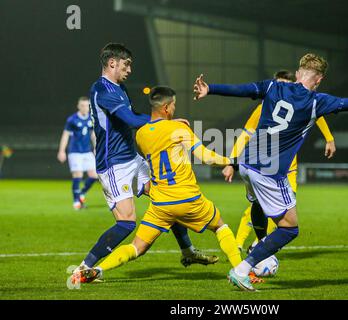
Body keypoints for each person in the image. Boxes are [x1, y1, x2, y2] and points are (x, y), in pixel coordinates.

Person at [193, 53, 348, 291]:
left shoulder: (273, 86)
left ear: (299, 71)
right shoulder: (316, 101)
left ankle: (260, 242)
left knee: (259, 205)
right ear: (319, 79)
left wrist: (210, 89)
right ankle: (243, 268)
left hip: (247, 164)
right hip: (269, 173)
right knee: (290, 228)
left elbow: (241, 89)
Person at [78, 86, 262, 288]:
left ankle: (99, 269)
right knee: (221, 227)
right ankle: (241, 272)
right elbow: (207, 157)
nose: (175, 109)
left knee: (136, 248)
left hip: (161, 205)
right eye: (173, 105)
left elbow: (156, 135)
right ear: (166, 108)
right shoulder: (179, 129)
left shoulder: (141, 135)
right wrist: (233, 160)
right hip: (189, 199)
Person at [71, 43, 217, 284]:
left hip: (132, 158)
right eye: (126, 64)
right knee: (127, 223)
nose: (130, 69)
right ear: (112, 63)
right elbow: (128, 118)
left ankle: (187, 251)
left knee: (168, 197)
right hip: (113, 165)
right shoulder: (101, 89)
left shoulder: (120, 88)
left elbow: (135, 115)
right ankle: (84, 267)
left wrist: (159, 122)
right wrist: (162, 123)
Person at [224, 69, 336, 252]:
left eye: (283, 84)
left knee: (278, 210)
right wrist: (231, 162)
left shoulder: (304, 103)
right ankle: (241, 244)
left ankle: (257, 244)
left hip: (288, 169)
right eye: (277, 84)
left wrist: (329, 138)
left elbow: (318, 114)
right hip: (266, 167)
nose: (279, 88)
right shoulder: (262, 109)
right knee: (260, 206)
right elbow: (245, 135)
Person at [57, 97, 97, 210]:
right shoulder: (72, 120)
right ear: (78, 106)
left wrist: (96, 147)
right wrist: (61, 151)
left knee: (94, 175)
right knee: (78, 176)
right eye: (83, 105)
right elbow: (65, 135)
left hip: (87, 151)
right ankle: (76, 202)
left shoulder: (91, 118)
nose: (85, 108)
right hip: (74, 152)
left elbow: (93, 134)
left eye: (87, 105)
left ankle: (81, 193)